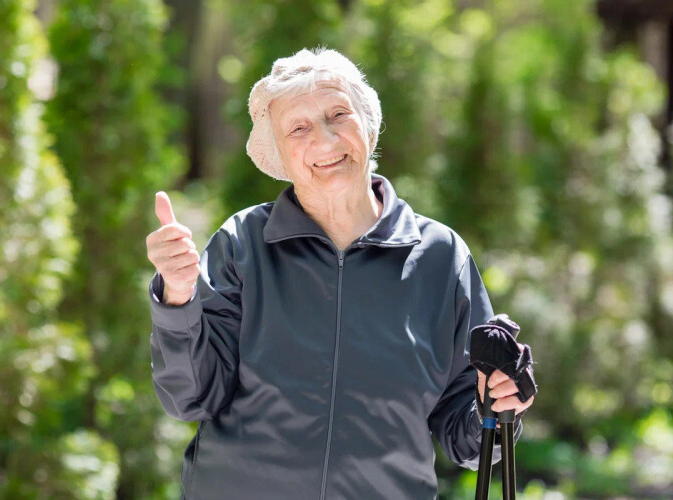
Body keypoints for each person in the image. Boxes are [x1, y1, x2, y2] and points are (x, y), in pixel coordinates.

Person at [146, 48, 535, 500]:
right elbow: (190, 397)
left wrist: (497, 405)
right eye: (299, 128)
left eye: (338, 114)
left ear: (368, 124)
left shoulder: (440, 256)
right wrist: (178, 297)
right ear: (278, 154)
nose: (326, 140)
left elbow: (469, 441)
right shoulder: (242, 243)